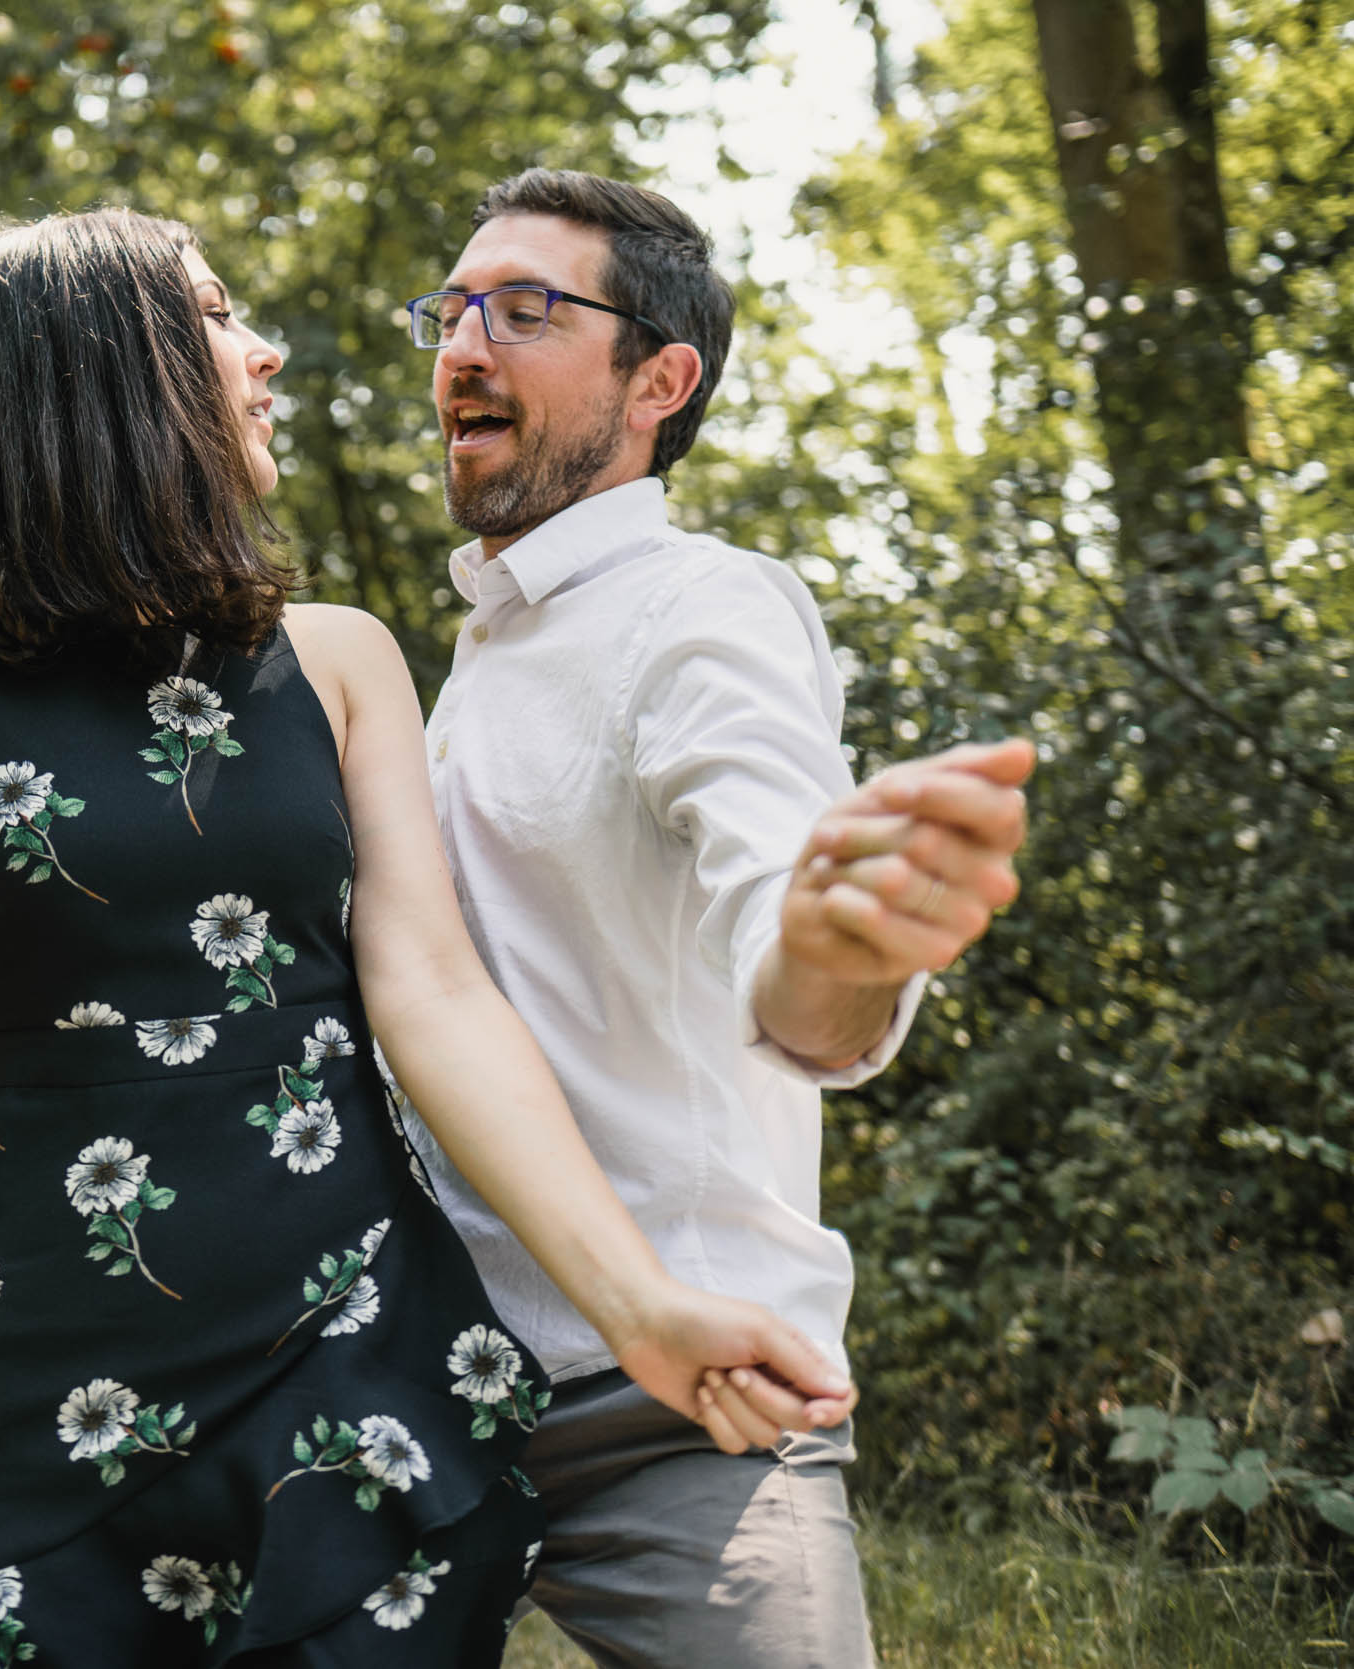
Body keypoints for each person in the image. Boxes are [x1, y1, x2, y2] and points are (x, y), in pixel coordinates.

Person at [0, 206, 853, 1666]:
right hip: (28, 1360)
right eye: (221, 314)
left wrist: (644, 1301)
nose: (266, 349)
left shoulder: (341, 659)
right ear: (100, 366)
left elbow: (435, 997)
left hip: (342, 1345)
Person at [395, 167, 1035, 1667]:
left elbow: (792, 937)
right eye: (456, 307)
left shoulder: (704, 609)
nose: (464, 345)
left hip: (685, 1410)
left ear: (658, 380)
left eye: (528, 309)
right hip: (414, 1391)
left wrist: (836, 943)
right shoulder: (479, 653)